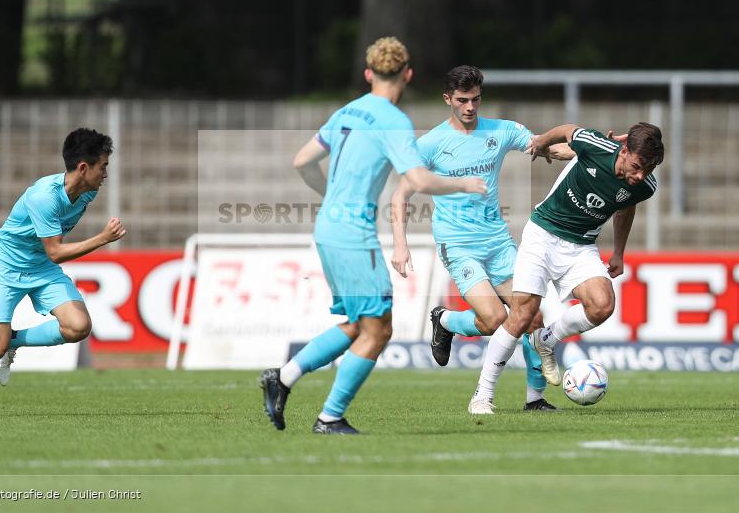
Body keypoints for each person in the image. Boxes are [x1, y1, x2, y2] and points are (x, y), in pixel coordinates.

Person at [258, 37, 487, 435]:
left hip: (327, 228)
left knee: (358, 323)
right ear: (408, 75)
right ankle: (329, 417)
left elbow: (302, 161)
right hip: (353, 235)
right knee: (379, 329)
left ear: (368, 73)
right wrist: (464, 183)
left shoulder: (347, 111)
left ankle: (284, 377)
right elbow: (419, 180)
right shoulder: (392, 120)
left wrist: (331, 195)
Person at [390, 65, 574, 414]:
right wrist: (400, 243)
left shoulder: (501, 131)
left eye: (475, 99)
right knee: (493, 319)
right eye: (462, 100)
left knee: (531, 317)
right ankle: (445, 320)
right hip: (459, 245)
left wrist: (594, 151)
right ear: (447, 99)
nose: (470, 107)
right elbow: (400, 195)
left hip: (497, 242)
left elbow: (547, 148)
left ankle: (535, 400)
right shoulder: (430, 144)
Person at [470, 122, 663, 403]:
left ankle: (546, 339)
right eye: (637, 166)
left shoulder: (645, 186)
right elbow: (569, 130)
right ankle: (483, 395)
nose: (640, 175)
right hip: (543, 234)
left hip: (581, 246)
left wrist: (618, 252)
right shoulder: (596, 146)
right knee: (523, 315)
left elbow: (626, 206)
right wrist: (542, 141)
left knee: (602, 305)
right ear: (624, 150)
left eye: (648, 169)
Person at [0, 128, 126, 418]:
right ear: (83, 168)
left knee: (78, 326)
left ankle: (12, 341)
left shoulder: (87, 192)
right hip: (5, 268)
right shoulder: (43, 197)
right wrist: (102, 239)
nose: (105, 174)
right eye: (102, 167)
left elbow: (50, 252)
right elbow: (56, 251)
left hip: (40, 267)